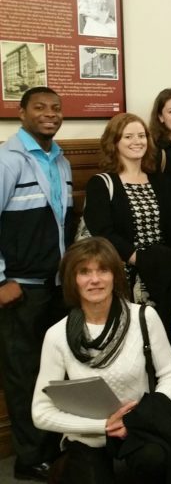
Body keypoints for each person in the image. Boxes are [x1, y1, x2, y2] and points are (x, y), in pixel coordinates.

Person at [31, 237, 171, 484]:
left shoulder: (144, 318)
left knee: (154, 459)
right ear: (73, 280)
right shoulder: (57, 335)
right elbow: (40, 412)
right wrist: (104, 425)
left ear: (115, 275)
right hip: (88, 432)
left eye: (103, 270)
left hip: (140, 425)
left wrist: (140, 416)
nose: (95, 280)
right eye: (84, 272)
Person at [0, 87, 71, 482]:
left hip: (56, 285)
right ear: (21, 112)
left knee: (56, 372)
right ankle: (29, 458)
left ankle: (51, 447)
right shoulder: (7, 160)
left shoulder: (58, 160)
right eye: (40, 108)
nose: (50, 114)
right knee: (23, 374)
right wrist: (1, 281)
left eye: (56, 108)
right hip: (20, 289)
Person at [83, 113, 171, 330]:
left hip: (164, 276)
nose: (137, 141)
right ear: (114, 142)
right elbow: (102, 231)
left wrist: (170, 260)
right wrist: (138, 258)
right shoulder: (101, 184)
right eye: (128, 136)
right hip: (125, 277)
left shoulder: (161, 180)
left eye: (141, 136)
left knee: (164, 335)